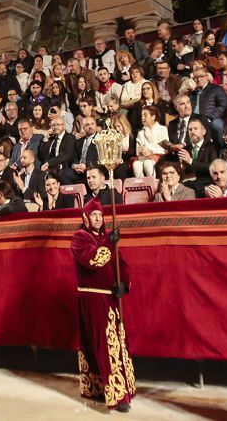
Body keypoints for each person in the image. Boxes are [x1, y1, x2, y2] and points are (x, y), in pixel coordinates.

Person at [70, 197, 135, 413]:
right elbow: (93, 260)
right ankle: (117, 395)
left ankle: (109, 387)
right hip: (93, 298)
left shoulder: (106, 237)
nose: (98, 218)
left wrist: (123, 285)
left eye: (100, 215)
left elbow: (120, 263)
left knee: (116, 344)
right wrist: (110, 242)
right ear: (85, 218)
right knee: (105, 345)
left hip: (109, 298)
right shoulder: (80, 238)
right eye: (94, 215)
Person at [133, 107, 168, 177]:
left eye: (145, 115)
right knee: (136, 164)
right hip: (143, 157)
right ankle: (141, 186)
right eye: (141, 116)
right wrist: (141, 151)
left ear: (153, 117)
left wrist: (151, 151)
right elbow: (138, 151)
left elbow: (165, 149)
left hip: (158, 157)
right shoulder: (141, 132)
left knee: (148, 163)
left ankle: (153, 184)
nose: (142, 118)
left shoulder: (162, 129)